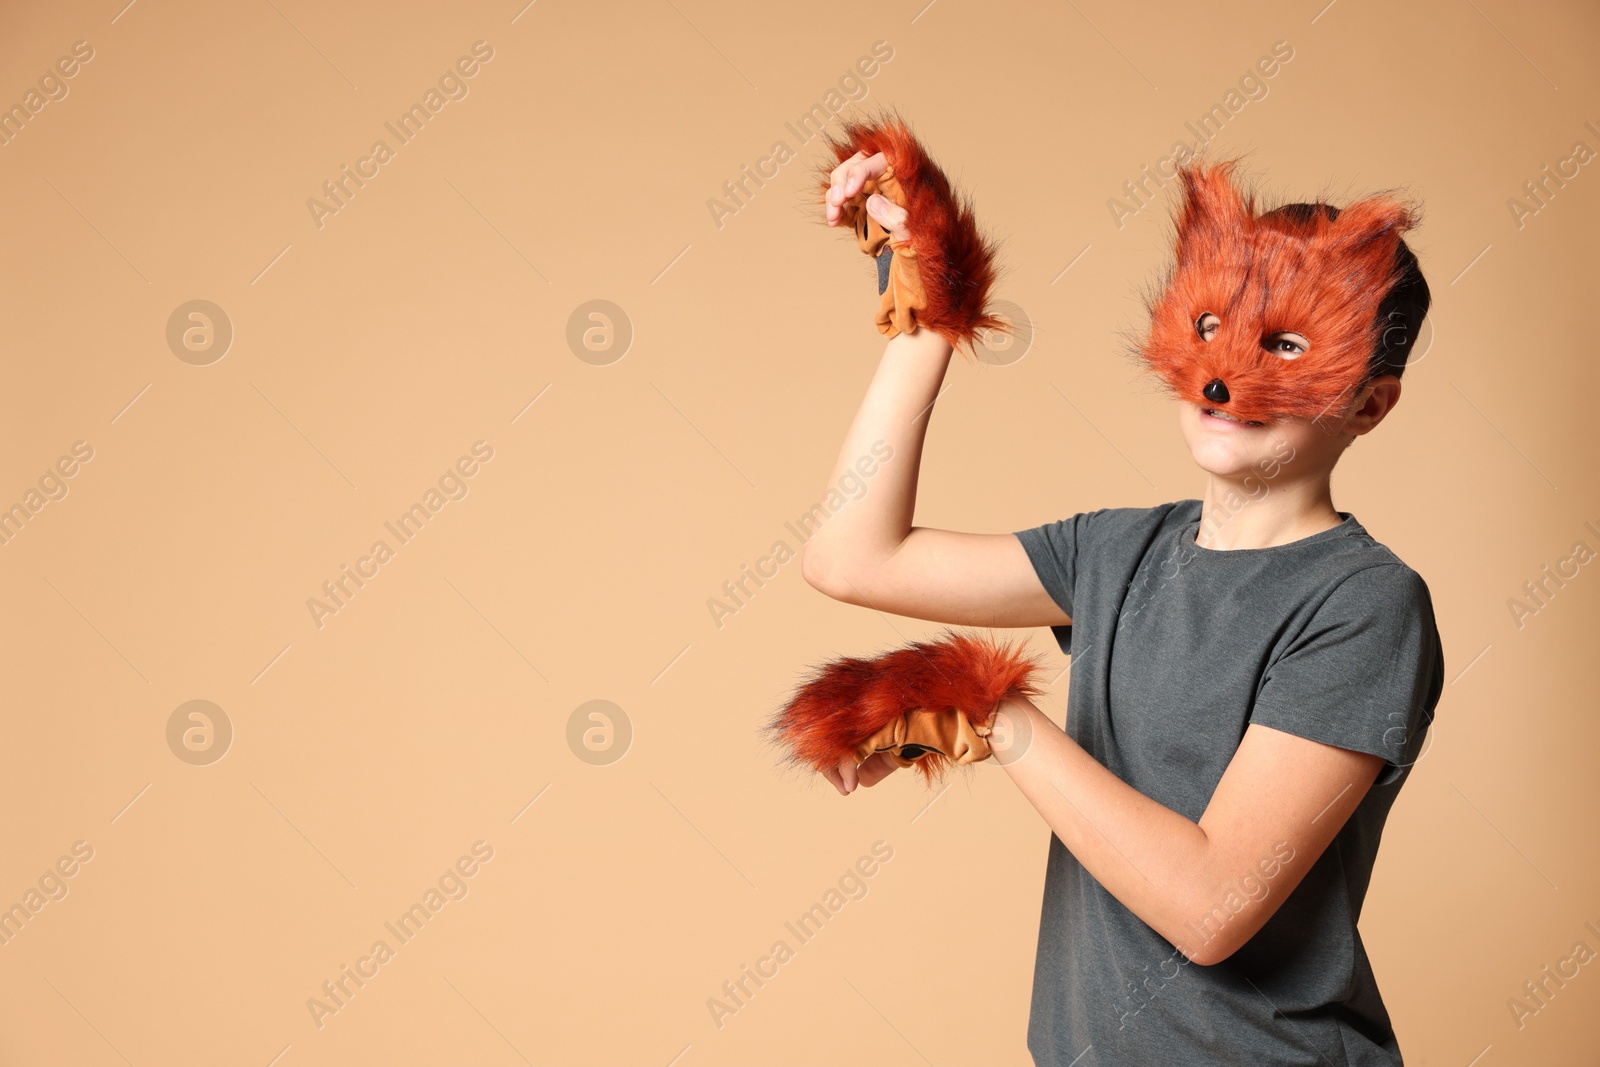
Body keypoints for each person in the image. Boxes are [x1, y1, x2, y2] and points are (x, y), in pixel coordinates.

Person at [799, 144, 1445, 1065]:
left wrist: (995, 709)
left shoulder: (1366, 605)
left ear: (1370, 405)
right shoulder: (1117, 550)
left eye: (1287, 346)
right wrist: (931, 321)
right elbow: (850, 556)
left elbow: (1213, 905)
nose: (1227, 375)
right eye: (1215, 322)